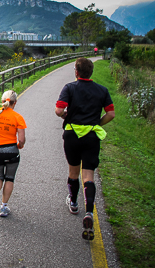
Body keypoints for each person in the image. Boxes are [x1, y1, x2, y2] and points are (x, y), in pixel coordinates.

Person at [55, 58, 115, 240]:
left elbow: (59, 110)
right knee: (88, 175)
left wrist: (67, 115)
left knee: (74, 172)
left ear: (76, 71)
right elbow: (111, 113)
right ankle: (89, 213)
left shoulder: (69, 88)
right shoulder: (102, 90)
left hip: (72, 134)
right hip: (91, 136)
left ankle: (73, 203)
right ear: (91, 72)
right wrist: (97, 122)